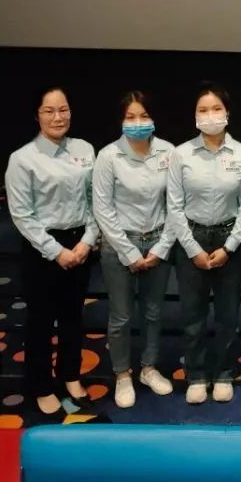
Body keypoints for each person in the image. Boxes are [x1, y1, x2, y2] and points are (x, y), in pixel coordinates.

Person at [5, 87, 97, 420]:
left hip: (81, 244)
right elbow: (22, 215)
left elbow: (95, 200)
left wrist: (88, 241)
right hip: (43, 249)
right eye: (49, 111)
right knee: (41, 321)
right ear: (37, 115)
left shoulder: (85, 149)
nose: (58, 117)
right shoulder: (22, 159)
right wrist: (56, 252)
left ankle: (70, 375)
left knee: (73, 316)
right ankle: (41, 386)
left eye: (64, 109)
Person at [167, 83, 241, 404]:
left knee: (228, 315)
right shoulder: (181, 154)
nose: (210, 115)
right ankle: (197, 374)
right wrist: (193, 249)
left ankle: (225, 372)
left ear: (227, 113)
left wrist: (229, 247)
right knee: (193, 315)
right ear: (194, 116)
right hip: (191, 239)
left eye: (216, 109)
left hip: (230, 240)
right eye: (203, 110)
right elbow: (174, 206)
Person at [92, 91, 176, 409]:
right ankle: (122, 374)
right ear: (121, 121)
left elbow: (175, 204)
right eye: (130, 117)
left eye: (143, 116)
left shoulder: (168, 152)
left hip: (158, 242)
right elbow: (102, 208)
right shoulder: (108, 156)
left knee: (153, 312)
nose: (137, 123)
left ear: (153, 119)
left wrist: (162, 247)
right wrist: (128, 252)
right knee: (121, 316)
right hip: (119, 244)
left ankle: (149, 368)